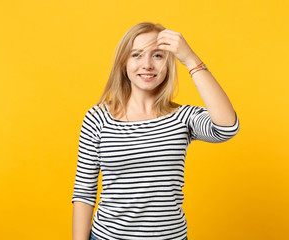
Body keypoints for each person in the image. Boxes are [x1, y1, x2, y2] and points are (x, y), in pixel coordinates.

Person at [71, 22, 239, 240]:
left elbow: (227, 127)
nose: (147, 64)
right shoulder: (98, 118)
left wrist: (190, 59)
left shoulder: (182, 117)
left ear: (168, 64)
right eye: (137, 55)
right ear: (124, 63)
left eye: (158, 56)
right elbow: (84, 191)